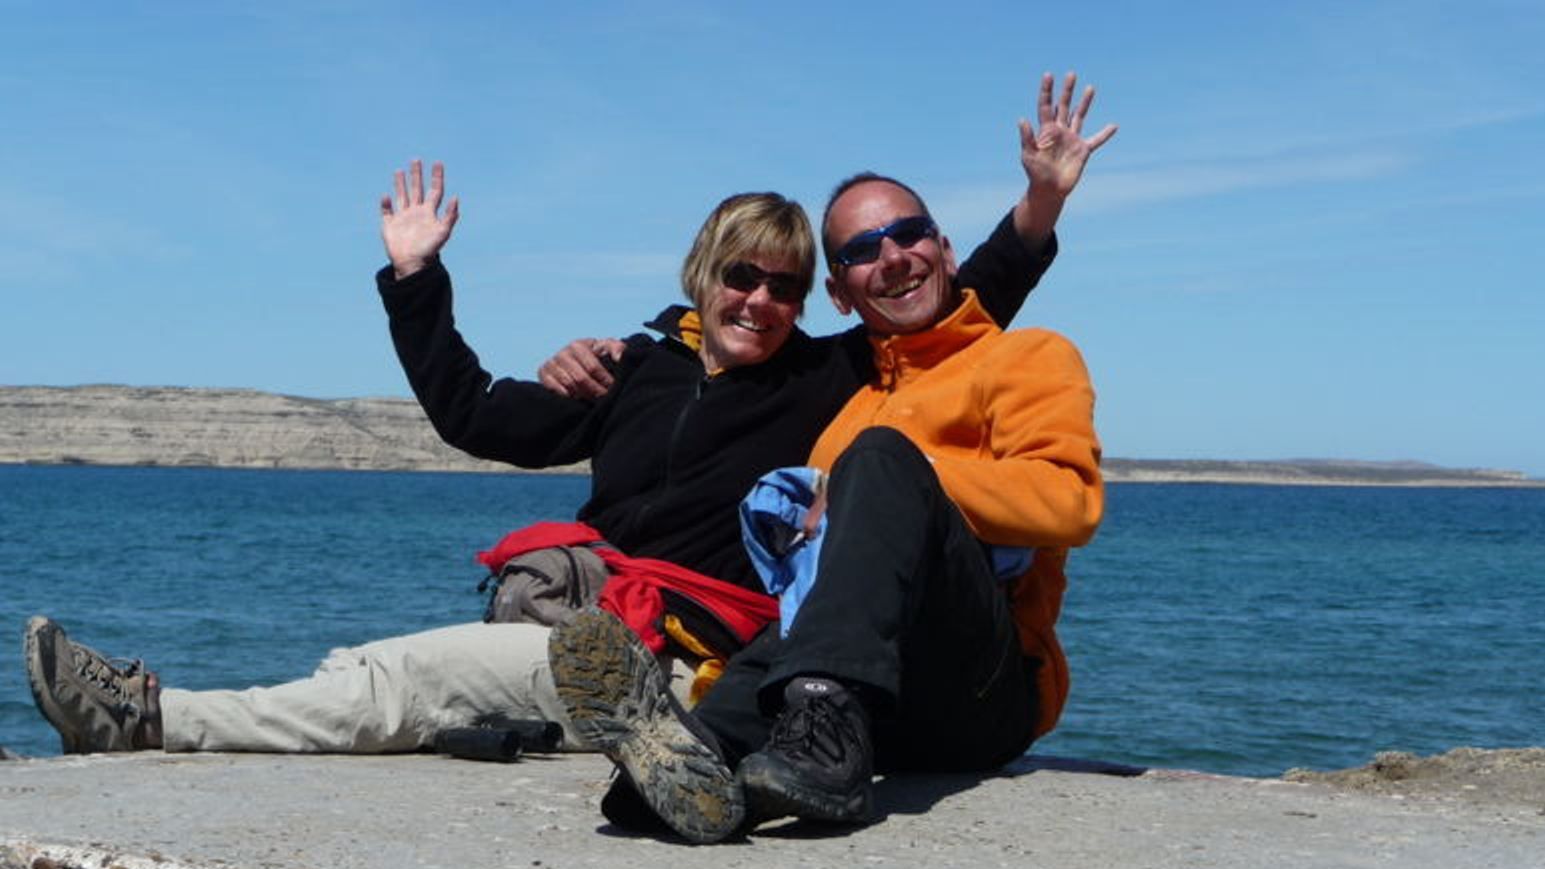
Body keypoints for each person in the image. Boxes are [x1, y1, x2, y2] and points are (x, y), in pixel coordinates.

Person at [24, 75, 1115, 760]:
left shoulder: (827, 383)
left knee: (405, 677)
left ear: (812, 300)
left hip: (677, 651)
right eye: (744, 276)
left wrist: (1041, 206)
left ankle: (150, 719)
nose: (761, 302)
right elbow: (474, 414)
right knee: (394, 672)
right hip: (585, 625)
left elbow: (935, 304)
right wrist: (416, 279)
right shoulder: (635, 371)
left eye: (787, 285)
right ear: (705, 274)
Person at [545, 172, 1105, 843]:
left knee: (879, 459)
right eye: (863, 250)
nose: (893, 256)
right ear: (839, 294)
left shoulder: (1026, 356)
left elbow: (1071, 504)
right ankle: (695, 759)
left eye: (908, 234)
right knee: (808, 597)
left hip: (982, 692)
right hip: (875, 703)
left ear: (947, 251)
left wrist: (910, 477)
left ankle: (814, 735)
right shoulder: (848, 400)